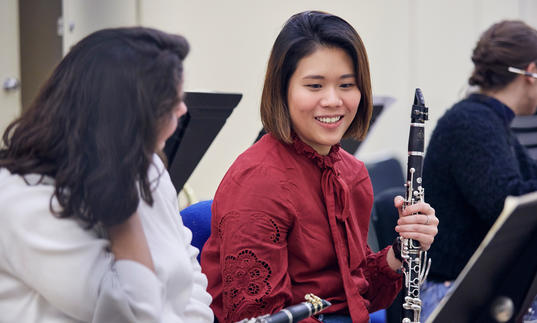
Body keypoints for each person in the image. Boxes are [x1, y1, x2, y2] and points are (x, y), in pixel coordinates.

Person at [201, 11, 438, 323]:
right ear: (282, 89)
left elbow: (356, 293)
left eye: (346, 85)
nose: (333, 100)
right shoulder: (258, 182)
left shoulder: (351, 173)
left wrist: (398, 252)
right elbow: (259, 315)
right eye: (314, 86)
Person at [0, 27, 213, 322]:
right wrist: (124, 215)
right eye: (171, 102)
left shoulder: (147, 165)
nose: (183, 109)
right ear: (126, 116)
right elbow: (132, 314)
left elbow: (190, 277)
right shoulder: (22, 201)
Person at [421, 20, 537, 321]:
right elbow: (508, 205)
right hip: (452, 293)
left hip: (481, 288)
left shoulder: (491, 122)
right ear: (531, 73)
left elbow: (530, 181)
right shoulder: (470, 123)